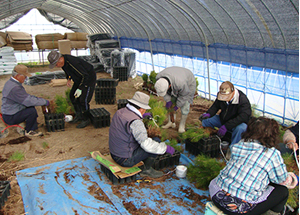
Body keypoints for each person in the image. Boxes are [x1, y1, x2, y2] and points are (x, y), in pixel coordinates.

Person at [209, 117, 297, 215]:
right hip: (238, 209)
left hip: (216, 195)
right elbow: (282, 179)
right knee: (282, 191)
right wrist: (293, 178)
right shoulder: (272, 154)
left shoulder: (241, 144)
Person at [109, 91, 175, 178]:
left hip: (114, 153)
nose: (145, 111)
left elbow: (127, 125)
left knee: (150, 142)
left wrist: (141, 117)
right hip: (124, 159)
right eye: (144, 110)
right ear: (141, 109)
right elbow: (146, 145)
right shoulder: (136, 122)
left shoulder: (120, 112)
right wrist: (165, 148)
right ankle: (146, 170)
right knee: (156, 142)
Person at [47, 50, 96, 128]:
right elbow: (68, 72)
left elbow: (85, 76)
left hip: (88, 78)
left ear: (60, 59)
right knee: (72, 96)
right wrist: (69, 79)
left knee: (83, 100)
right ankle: (79, 115)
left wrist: (80, 88)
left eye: (56, 64)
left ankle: (86, 119)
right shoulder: (63, 64)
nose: (56, 66)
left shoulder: (73, 63)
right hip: (79, 78)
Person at [1, 64, 49, 137]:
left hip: (9, 111)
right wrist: (45, 102)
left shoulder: (11, 83)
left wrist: (37, 99)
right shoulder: (15, 88)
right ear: (17, 76)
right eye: (24, 76)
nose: (26, 78)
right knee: (31, 111)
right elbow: (28, 101)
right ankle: (30, 131)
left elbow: (26, 97)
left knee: (31, 106)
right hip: (10, 116)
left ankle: (33, 123)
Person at [154, 66, 196, 133]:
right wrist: (168, 100)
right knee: (171, 102)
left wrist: (177, 106)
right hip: (175, 77)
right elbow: (166, 93)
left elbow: (184, 96)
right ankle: (171, 122)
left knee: (185, 105)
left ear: (169, 86)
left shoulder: (180, 83)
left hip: (188, 83)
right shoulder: (159, 78)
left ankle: (182, 126)